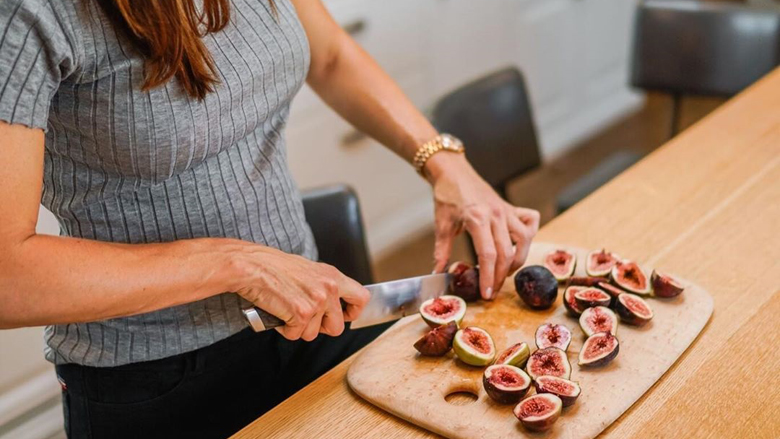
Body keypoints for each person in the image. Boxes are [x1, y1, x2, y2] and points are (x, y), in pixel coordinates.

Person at [0, 0, 540, 437]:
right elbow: (8, 276)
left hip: (305, 325)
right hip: (151, 384)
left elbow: (328, 56)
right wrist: (238, 264)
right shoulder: (27, 13)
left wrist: (444, 163)